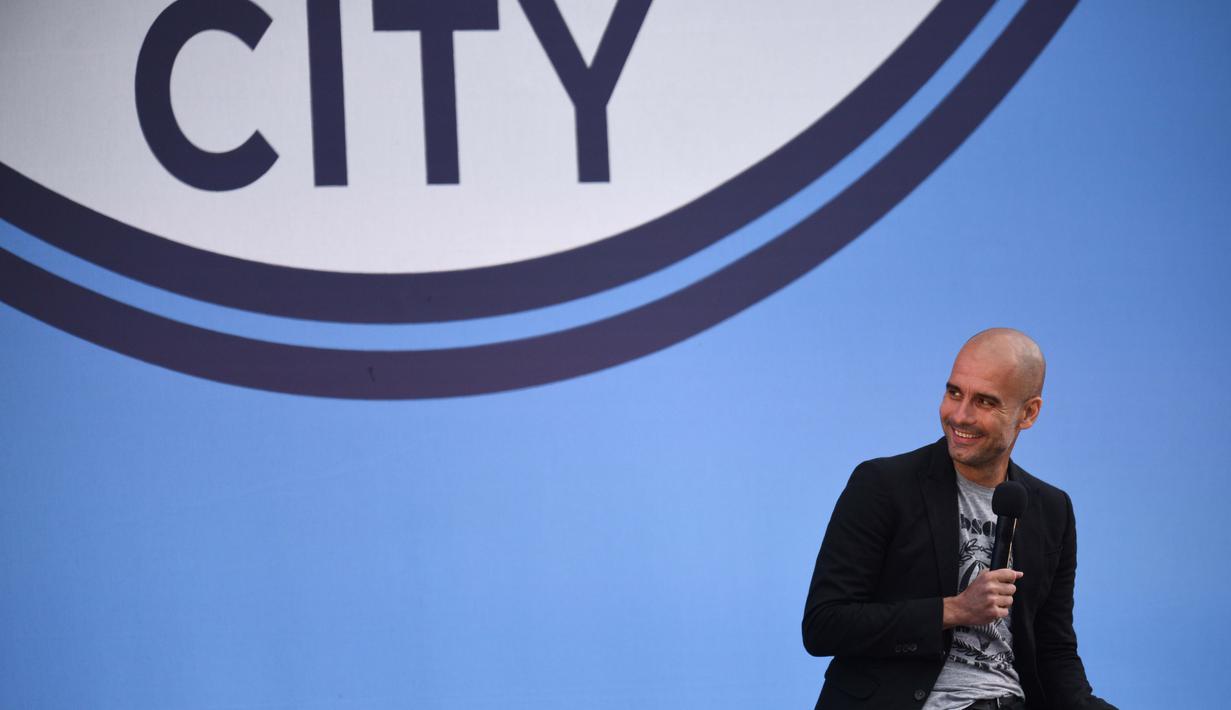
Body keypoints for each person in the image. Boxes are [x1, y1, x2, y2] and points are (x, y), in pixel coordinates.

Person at [802, 329, 1115, 710]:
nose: (959, 415)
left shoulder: (1052, 509)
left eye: (984, 401)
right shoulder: (883, 485)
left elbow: (1054, 649)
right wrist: (955, 609)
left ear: (1028, 413)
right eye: (954, 393)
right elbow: (825, 624)